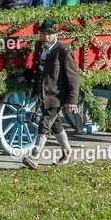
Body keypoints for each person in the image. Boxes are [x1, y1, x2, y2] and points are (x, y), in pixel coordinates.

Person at [22, 19, 80, 169]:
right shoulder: (39, 47)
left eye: (49, 34)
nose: (46, 37)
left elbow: (74, 78)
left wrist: (72, 100)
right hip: (42, 94)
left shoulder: (63, 51)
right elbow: (37, 69)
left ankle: (35, 156)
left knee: (45, 124)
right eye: (43, 33)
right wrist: (24, 77)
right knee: (55, 126)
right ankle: (68, 154)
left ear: (56, 35)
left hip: (56, 96)